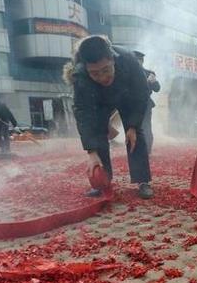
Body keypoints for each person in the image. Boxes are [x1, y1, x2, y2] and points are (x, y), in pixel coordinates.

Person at [63, 35, 154, 199]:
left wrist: (133, 126)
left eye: (106, 69)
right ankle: (103, 181)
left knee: (135, 135)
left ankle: (142, 180)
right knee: (98, 133)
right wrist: (91, 151)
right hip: (99, 100)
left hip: (127, 96)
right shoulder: (80, 75)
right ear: (86, 68)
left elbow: (142, 94)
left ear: (112, 59)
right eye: (95, 73)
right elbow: (83, 113)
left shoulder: (128, 60)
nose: (103, 77)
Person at [133, 50, 161, 154]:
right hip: (132, 104)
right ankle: (135, 149)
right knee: (132, 127)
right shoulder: (127, 73)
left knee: (146, 127)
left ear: (141, 61)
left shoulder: (149, 73)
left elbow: (157, 88)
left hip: (145, 104)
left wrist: (153, 82)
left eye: (138, 60)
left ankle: (147, 150)